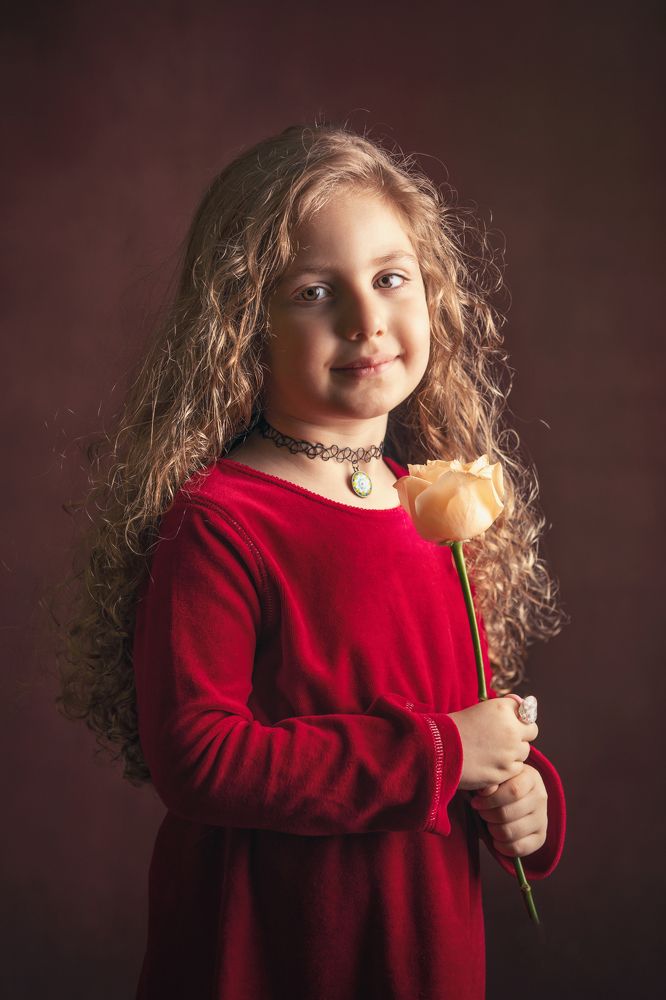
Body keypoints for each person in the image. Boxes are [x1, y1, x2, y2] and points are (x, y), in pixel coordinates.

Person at [57, 122, 568, 999]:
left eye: (390, 279)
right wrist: (444, 752)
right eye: (314, 292)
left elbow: (453, 717)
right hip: (276, 948)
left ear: (431, 294)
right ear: (241, 322)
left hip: (421, 943)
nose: (366, 320)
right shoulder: (220, 520)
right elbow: (202, 759)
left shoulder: (430, 499)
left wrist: (522, 793)